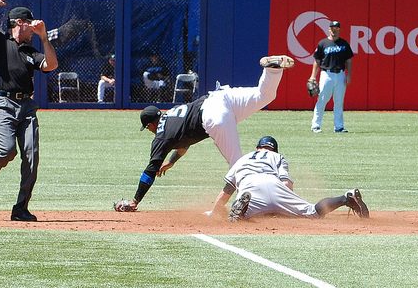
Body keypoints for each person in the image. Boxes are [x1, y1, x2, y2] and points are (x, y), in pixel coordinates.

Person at [117, 55, 295, 211]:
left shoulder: (161, 136)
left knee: (239, 166)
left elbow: (150, 171)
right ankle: (272, 69)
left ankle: (254, 206)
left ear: (150, 124)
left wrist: (135, 200)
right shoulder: (172, 114)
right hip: (219, 97)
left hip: (213, 116)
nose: (149, 130)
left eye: (147, 127)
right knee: (263, 96)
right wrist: (171, 162)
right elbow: (183, 142)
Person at [0, 0, 58, 222]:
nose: (33, 27)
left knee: (32, 157)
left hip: (27, 107)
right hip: (2, 104)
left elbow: (51, 65)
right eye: (30, 24)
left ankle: (20, 208)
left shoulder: (31, 50)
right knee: (7, 150)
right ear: (20, 23)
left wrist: (44, 38)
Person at [207, 136, 369, 221]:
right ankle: (346, 198)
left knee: (239, 218)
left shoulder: (242, 159)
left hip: (250, 187)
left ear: (257, 148)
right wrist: (284, 205)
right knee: (314, 212)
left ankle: (242, 210)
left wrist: (215, 212)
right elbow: (285, 183)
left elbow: (226, 191)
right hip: (274, 185)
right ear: (274, 149)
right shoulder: (277, 156)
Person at [309, 20, 353, 133]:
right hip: (326, 74)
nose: (334, 29)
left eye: (336, 28)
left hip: (340, 74)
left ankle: (339, 127)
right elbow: (317, 61)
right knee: (322, 100)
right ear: (329, 29)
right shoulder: (323, 43)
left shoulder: (344, 44)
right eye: (332, 28)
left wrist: (348, 75)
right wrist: (313, 76)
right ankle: (316, 126)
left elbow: (349, 60)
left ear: (339, 29)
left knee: (339, 102)